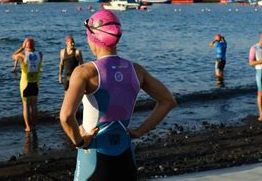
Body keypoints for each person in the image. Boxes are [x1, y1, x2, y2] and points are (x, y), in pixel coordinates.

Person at [60, 10, 176, 180]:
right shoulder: (137, 70)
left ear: (92, 37)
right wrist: (139, 131)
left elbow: (66, 116)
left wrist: (79, 141)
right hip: (126, 157)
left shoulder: (85, 72)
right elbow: (168, 101)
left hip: (93, 156)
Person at [12, 38, 43, 132]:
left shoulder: (22, 55)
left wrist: (21, 47)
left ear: (26, 46)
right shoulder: (40, 54)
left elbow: (13, 55)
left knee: (26, 106)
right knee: (34, 105)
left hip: (25, 84)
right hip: (35, 83)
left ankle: (28, 127)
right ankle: (34, 125)